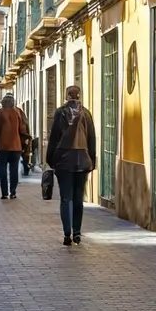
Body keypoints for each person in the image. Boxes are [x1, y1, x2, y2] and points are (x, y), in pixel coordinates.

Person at [46, 85, 97, 246]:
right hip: (82, 160)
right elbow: (91, 139)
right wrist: (92, 161)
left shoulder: (60, 113)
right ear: (79, 96)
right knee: (78, 198)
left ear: (67, 96)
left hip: (63, 161)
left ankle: (67, 233)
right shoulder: (86, 114)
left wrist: (51, 160)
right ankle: (77, 233)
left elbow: (54, 137)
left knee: (65, 198)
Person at [0, 94, 28, 199]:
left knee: (2, 170)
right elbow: (23, 129)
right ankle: (13, 192)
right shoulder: (18, 113)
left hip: (3, 147)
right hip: (16, 147)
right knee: (14, 170)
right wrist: (24, 144)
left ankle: (4, 193)